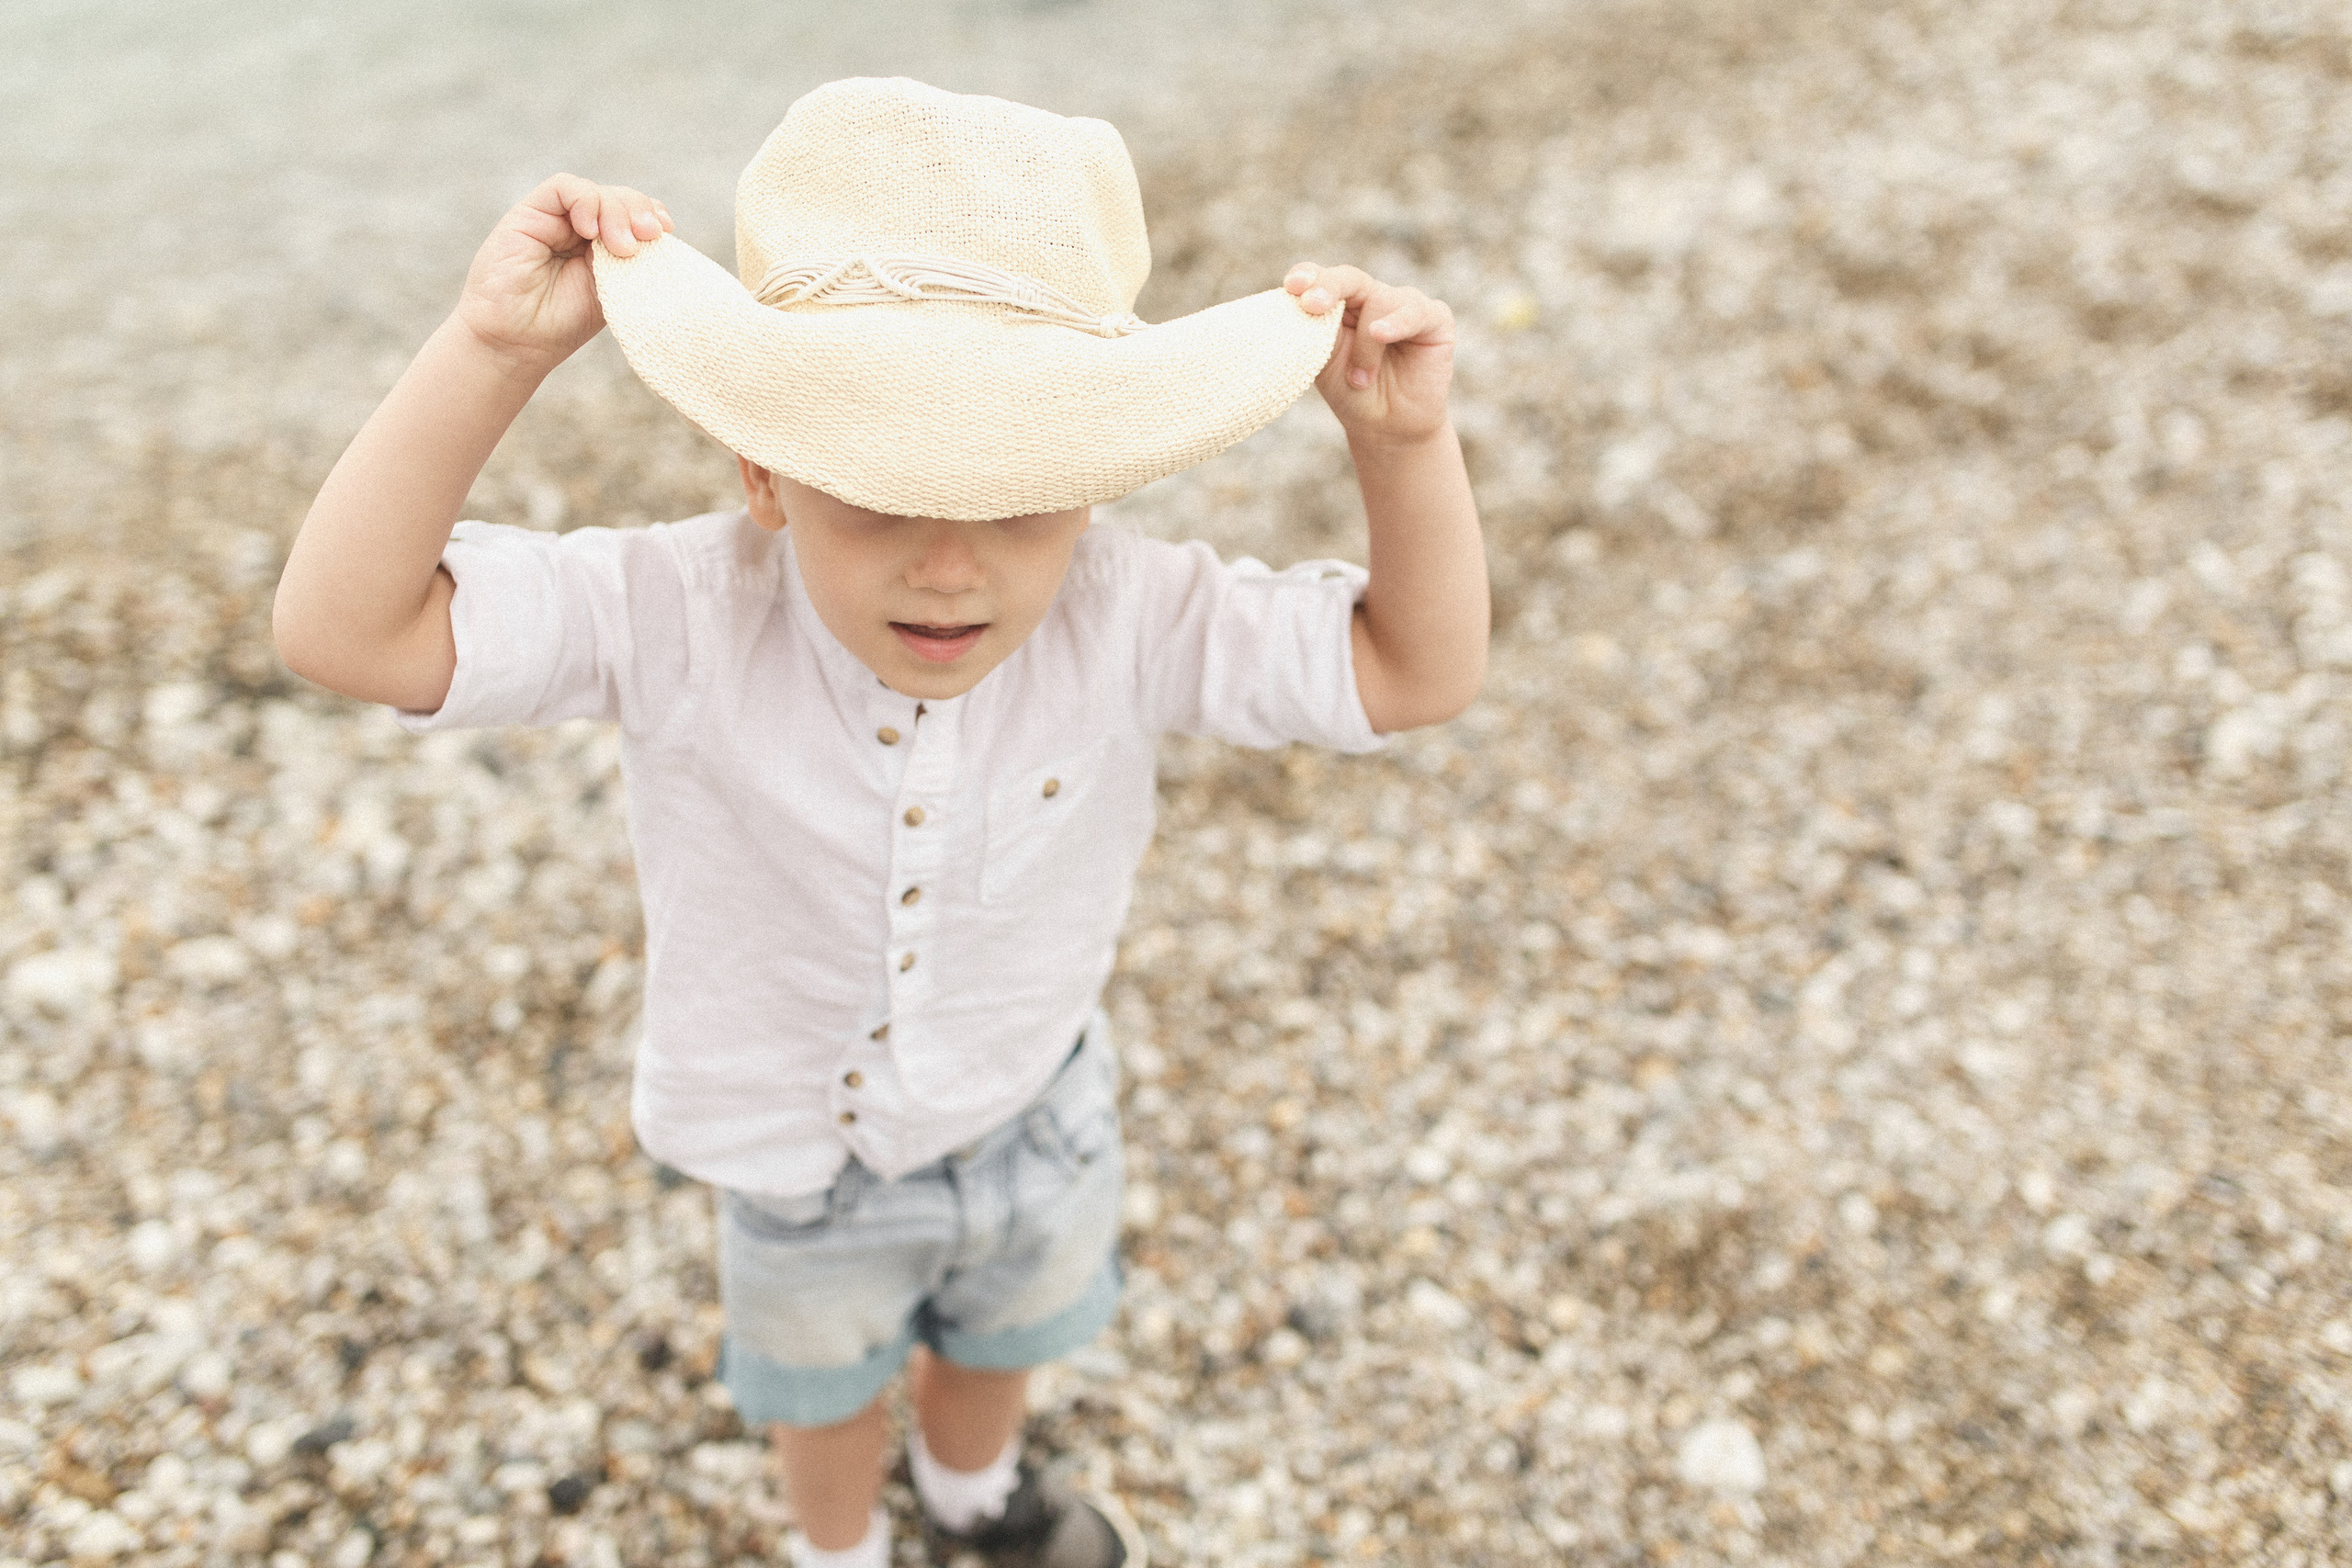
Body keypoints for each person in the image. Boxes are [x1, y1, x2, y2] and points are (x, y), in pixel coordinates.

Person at [274, 76, 1485, 1568]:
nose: (950, 569)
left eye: (1022, 498)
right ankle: (837, 1550)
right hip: (796, 1153)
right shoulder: (672, 610)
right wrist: (490, 353)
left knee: (1003, 1344)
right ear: (764, 469)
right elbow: (344, 631)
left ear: (1097, 495)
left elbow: (1414, 673)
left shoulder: (1133, 613)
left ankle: (975, 1499)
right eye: (883, 491)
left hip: (1033, 1103)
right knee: (825, 1394)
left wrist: (1402, 450)